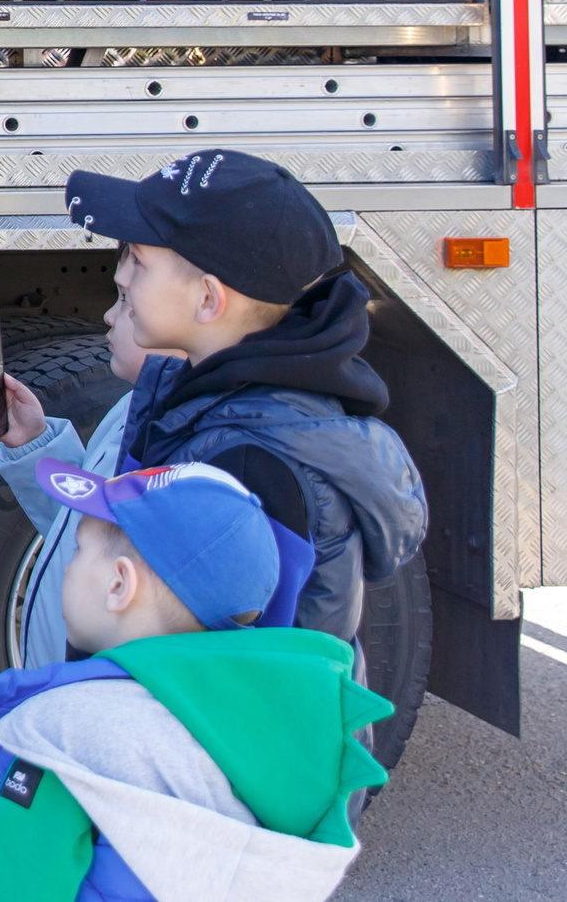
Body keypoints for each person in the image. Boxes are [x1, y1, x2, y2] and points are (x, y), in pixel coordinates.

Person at [0, 460, 392, 901]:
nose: (68, 568)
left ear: (118, 585)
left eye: (78, 550)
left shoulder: (62, 736)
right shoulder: (277, 744)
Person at [53, 151, 427, 655]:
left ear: (208, 299)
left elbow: (209, 668)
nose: (120, 278)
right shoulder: (214, 407)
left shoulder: (249, 464)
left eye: (137, 261)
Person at [0, 310, 147, 669]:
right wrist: (33, 443)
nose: (108, 315)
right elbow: (86, 533)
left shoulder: (172, 434)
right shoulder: (130, 406)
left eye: (127, 299)